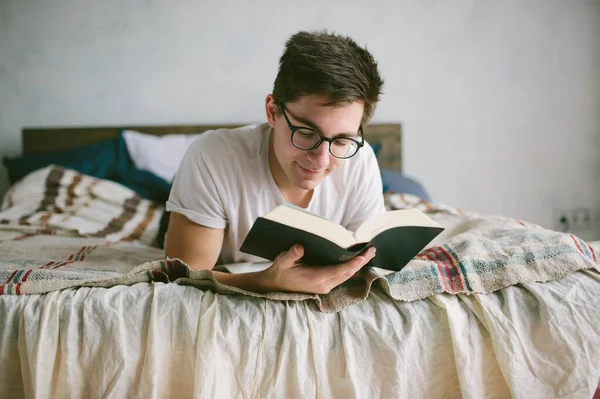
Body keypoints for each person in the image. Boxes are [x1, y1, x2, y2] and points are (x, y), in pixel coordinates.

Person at [165, 30, 385, 295]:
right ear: (272, 111)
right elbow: (182, 277)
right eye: (305, 133)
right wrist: (266, 281)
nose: (321, 160)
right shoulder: (212, 157)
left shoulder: (360, 160)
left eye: (340, 141)